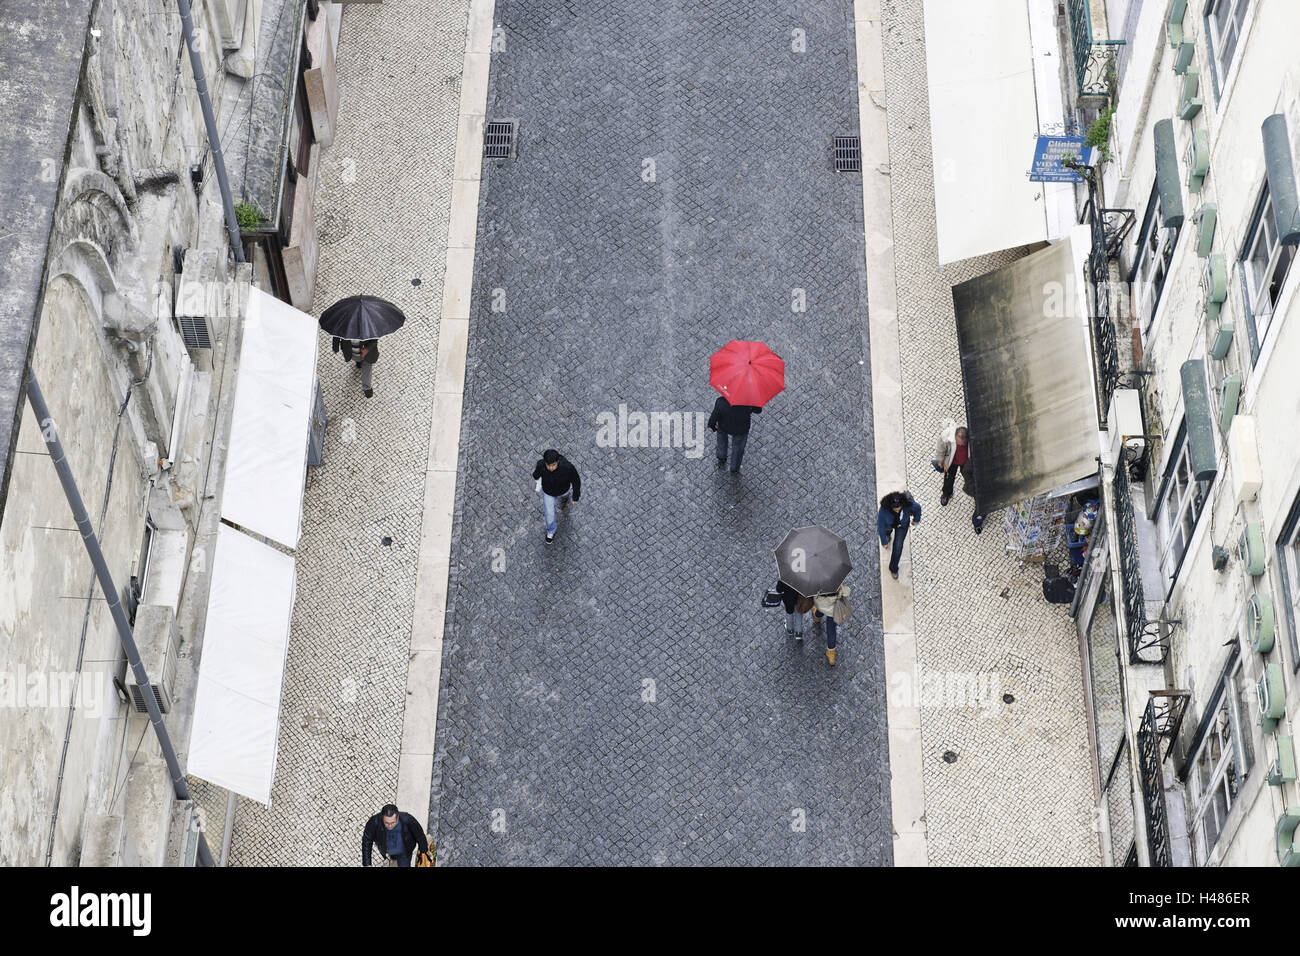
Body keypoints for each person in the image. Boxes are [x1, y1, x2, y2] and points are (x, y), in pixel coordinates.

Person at [932, 420, 986, 533]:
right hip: (952, 461)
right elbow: (940, 447)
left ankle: (973, 493)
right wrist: (940, 460)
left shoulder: (971, 439)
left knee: (971, 479)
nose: (962, 444)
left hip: (966, 463)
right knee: (948, 479)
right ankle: (946, 494)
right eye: (960, 442)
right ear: (956, 436)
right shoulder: (947, 435)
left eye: (964, 442)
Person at [532, 448, 581, 543]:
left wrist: (576, 496)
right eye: (548, 465)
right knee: (549, 514)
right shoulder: (541, 465)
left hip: (563, 490)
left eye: (553, 465)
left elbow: (576, 481)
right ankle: (551, 531)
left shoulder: (567, 467)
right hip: (548, 492)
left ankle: (565, 498)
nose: (550, 468)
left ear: (557, 461)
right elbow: (536, 474)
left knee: (565, 496)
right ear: (545, 463)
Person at [707, 395, 762, 474]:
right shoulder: (749, 402)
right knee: (738, 448)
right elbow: (758, 410)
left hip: (723, 426)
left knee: (721, 439)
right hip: (741, 429)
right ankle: (734, 467)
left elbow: (715, 415)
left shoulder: (721, 401)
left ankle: (721, 456)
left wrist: (712, 425)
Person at [361, 804, 429, 867]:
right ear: (382, 818)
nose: (390, 826)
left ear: (397, 817)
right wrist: (367, 864)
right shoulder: (374, 822)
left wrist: (424, 850)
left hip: (404, 852)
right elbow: (367, 841)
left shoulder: (408, 819)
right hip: (388, 851)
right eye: (387, 823)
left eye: (392, 823)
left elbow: (419, 834)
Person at [877, 490, 922, 579]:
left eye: (899, 508)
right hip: (888, 524)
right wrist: (884, 541)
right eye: (895, 509)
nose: (897, 511)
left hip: (902, 525)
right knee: (886, 530)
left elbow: (918, 508)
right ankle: (888, 535)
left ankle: (893, 568)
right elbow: (880, 525)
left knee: (898, 546)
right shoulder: (883, 510)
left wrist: (916, 519)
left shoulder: (908, 504)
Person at [810, 582, 851, 667]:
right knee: (831, 631)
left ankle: (816, 617)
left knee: (819, 611)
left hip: (821, 605)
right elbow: (847, 592)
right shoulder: (836, 583)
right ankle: (831, 654)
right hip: (833, 611)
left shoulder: (818, 582)